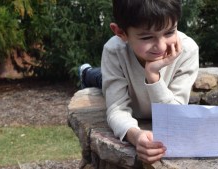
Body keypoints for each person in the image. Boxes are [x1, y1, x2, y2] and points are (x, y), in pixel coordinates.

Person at [79, 0, 199, 164]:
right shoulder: (114, 50)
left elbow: (174, 117)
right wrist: (135, 135)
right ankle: (85, 72)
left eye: (169, 32)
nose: (161, 46)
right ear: (120, 32)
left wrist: (153, 75)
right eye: (147, 37)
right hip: (122, 81)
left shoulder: (188, 50)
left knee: (102, 77)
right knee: (98, 79)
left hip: (135, 86)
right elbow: (117, 108)